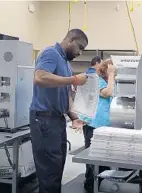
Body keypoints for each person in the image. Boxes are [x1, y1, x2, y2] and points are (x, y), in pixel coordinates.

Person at [29, 28, 89, 193]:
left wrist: (72, 115)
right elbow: (39, 77)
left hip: (56, 120)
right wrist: (75, 79)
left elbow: (64, 93)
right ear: (70, 40)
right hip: (43, 120)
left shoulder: (65, 63)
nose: (80, 53)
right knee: (49, 171)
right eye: (80, 47)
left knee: (56, 166)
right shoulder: (51, 54)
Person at [80, 58, 116, 193]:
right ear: (105, 69)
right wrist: (111, 75)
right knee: (92, 156)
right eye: (111, 69)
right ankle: (89, 185)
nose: (114, 72)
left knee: (105, 157)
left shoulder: (111, 81)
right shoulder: (96, 80)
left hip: (107, 125)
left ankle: (102, 183)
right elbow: (107, 93)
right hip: (93, 124)